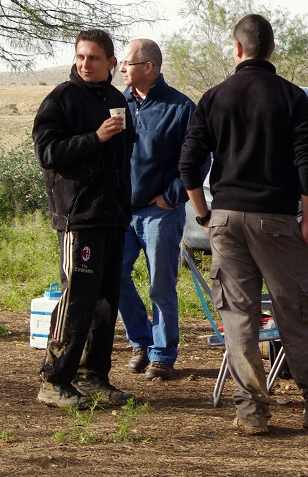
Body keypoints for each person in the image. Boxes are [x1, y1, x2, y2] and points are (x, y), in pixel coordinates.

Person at [179, 14, 308, 435]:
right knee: (298, 311)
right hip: (276, 219)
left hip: (226, 219)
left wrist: (205, 215)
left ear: (237, 48)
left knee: (239, 316)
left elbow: (189, 165)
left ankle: (251, 413)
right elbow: (307, 160)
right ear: (272, 50)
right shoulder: (291, 96)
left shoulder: (213, 97)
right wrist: (305, 216)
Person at [32, 29, 135, 409]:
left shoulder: (115, 99)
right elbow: (47, 152)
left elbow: (124, 159)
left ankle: (92, 376)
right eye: (80, 57)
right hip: (79, 216)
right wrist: (94, 137)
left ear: (111, 63)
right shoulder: (62, 98)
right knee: (76, 297)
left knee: (106, 300)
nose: (85, 64)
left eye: (93, 58)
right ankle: (53, 379)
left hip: (113, 216)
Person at [118, 38, 200, 381]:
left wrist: (172, 196)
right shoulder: (116, 103)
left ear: (148, 67)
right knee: (114, 274)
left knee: (160, 284)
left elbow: (197, 158)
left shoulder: (180, 107)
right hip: (120, 211)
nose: (121, 69)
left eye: (128, 63)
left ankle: (163, 354)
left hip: (159, 212)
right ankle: (140, 340)